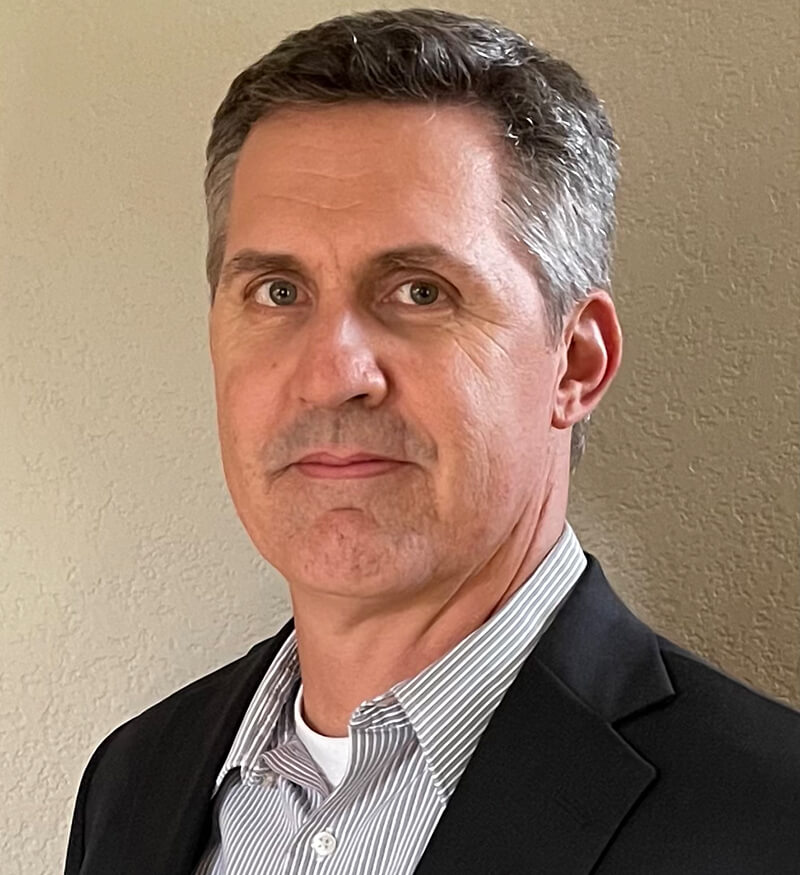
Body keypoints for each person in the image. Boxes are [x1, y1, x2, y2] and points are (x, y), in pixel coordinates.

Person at [64, 8, 799, 874]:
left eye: (419, 291)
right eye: (276, 292)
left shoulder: (769, 818)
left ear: (576, 360)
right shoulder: (133, 778)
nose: (333, 373)